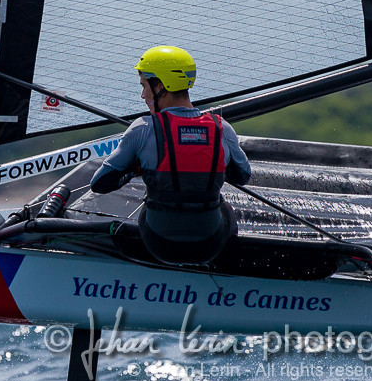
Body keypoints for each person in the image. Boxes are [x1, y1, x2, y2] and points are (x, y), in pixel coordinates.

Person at [89, 46, 252, 265]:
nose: (143, 95)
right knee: (223, 207)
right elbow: (242, 176)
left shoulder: (142, 128)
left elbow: (100, 183)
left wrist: (135, 169)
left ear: (160, 86)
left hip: (158, 244)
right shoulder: (221, 127)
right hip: (209, 245)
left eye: (144, 86)